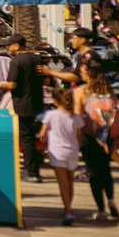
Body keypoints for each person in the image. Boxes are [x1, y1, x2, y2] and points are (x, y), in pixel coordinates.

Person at [0, 34, 46, 181]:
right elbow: (46, 79)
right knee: (32, 137)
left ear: (17, 46)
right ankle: (31, 169)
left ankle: (31, 172)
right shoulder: (38, 58)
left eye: (9, 45)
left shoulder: (16, 61)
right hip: (37, 103)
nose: (8, 48)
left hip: (23, 104)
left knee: (26, 138)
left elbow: (12, 84)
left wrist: (0, 84)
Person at [77, 63, 119, 221]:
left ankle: (101, 209)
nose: (81, 75)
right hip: (107, 137)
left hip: (89, 138)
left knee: (93, 173)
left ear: (90, 76)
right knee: (105, 170)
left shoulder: (82, 92)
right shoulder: (109, 93)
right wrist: (118, 137)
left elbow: (78, 118)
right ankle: (111, 200)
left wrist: (77, 139)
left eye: (83, 73)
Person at [40, 87, 86, 225]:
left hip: (57, 152)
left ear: (55, 101)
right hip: (72, 152)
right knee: (70, 181)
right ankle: (68, 207)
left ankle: (68, 211)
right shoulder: (76, 117)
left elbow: (42, 135)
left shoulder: (50, 115)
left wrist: (45, 140)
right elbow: (79, 137)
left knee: (62, 183)